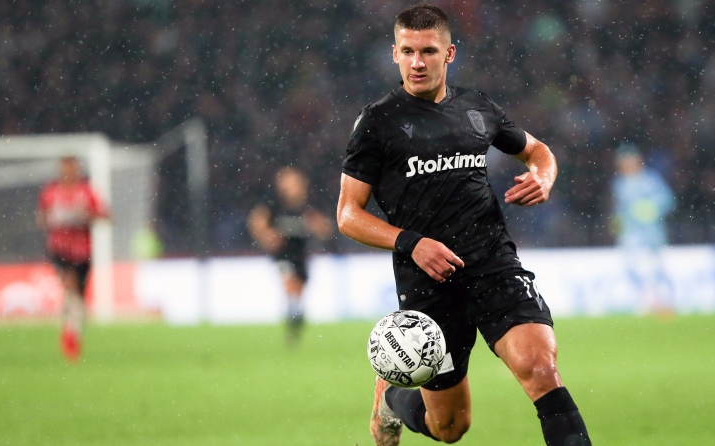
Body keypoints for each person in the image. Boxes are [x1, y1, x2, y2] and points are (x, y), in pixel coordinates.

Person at [337, 4, 591, 445]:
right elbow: (348, 215)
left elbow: (538, 151)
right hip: (429, 282)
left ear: (449, 53)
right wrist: (413, 243)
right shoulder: (377, 122)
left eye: (428, 51)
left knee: (541, 370)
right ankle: (393, 399)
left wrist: (543, 176)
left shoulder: (477, 107)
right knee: (451, 427)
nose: (418, 62)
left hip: (494, 266)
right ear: (394, 54)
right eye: (408, 52)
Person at [248, 166, 333, 343]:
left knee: (299, 288)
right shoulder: (274, 205)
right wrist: (268, 236)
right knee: (289, 281)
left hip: (301, 254)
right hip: (282, 254)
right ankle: (293, 313)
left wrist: (317, 226)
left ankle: (295, 316)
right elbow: (256, 222)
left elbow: (327, 229)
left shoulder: (309, 207)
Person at [36, 156, 108, 362]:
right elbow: (42, 219)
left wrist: (84, 216)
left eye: (72, 169)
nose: (68, 173)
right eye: (65, 169)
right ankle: (69, 336)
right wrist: (54, 219)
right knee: (70, 286)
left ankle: (70, 328)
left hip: (83, 252)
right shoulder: (51, 192)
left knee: (78, 300)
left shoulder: (86, 191)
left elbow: (104, 215)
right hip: (60, 249)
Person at [611, 142, 675, 314]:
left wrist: (653, 207)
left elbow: (668, 199)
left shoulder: (650, 179)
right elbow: (620, 208)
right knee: (632, 266)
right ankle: (645, 299)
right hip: (630, 234)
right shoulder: (619, 183)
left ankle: (663, 299)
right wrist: (618, 220)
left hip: (652, 233)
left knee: (656, 267)